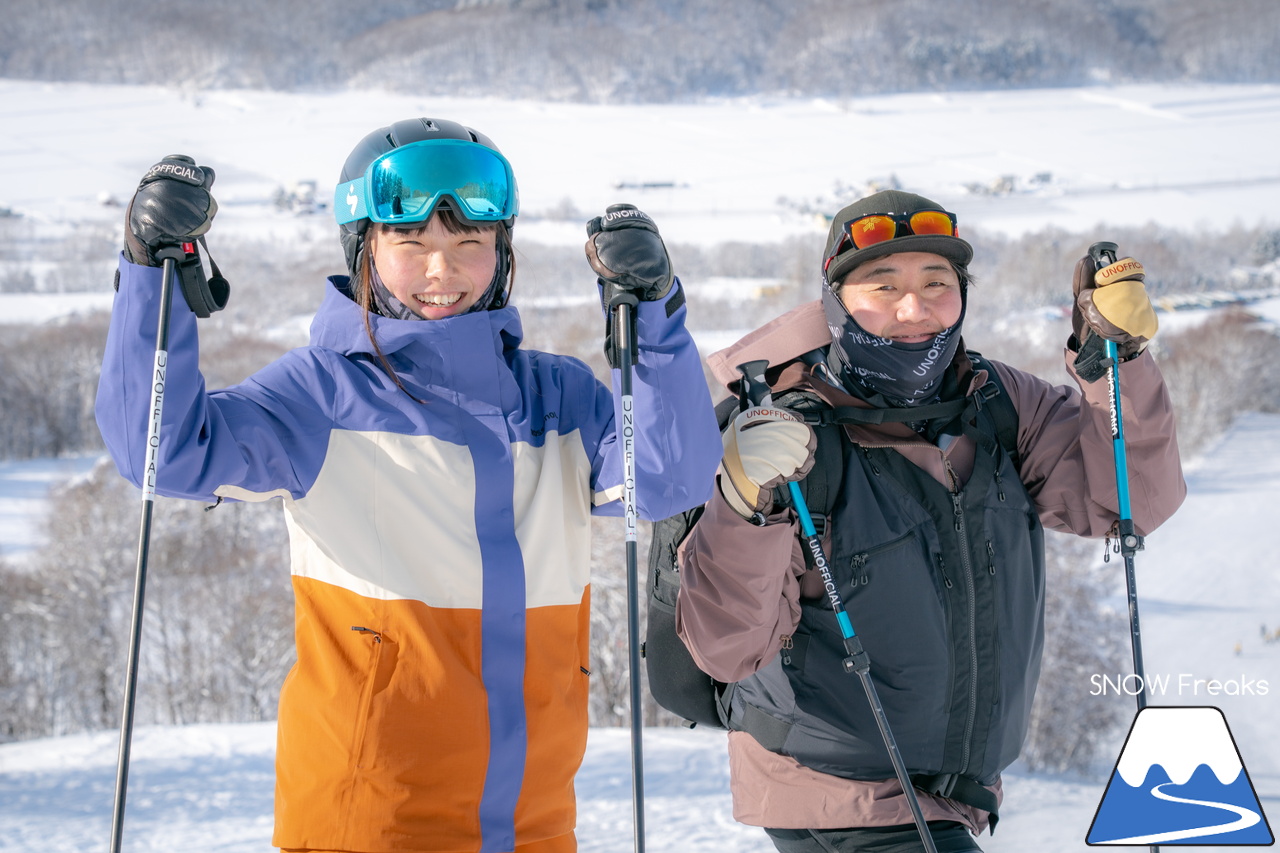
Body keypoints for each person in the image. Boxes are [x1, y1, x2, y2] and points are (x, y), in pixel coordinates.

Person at [96, 117, 721, 853]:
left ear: (502, 250)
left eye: (470, 243)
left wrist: (651, 307)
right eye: (411, 243)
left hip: (534, 826)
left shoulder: (559, 398)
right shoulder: (320, 396)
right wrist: (152, 274)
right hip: (367, 824)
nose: (441, 271)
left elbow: (669, 478)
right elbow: (162, 452)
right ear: (364, 247)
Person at [674, 189, 1186, 852]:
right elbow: (726, 646)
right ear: (835, 300)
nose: (914, 309)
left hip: (951, 798)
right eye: (883, 285)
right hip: (837, 794)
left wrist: (1115, 366)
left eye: (936, 283)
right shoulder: (786, 435)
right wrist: (745, 502)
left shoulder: (998, 404)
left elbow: (1127, 503)